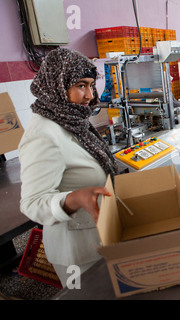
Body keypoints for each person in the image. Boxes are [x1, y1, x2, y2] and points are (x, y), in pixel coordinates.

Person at [18, 48, 118, 287]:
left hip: (100, 238)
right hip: (76, 252)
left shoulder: (73, 121)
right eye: (81, 85)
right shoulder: (43, 134)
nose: (89, 96)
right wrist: (72, 199)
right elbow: (31, 203)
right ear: (56, 85)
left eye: (92, 86)